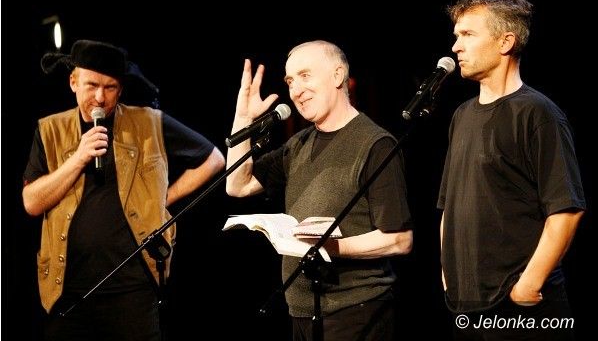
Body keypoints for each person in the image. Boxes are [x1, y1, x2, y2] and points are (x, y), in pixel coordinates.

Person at [22, 39, 226, 341]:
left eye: (111, 87)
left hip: (133, 289)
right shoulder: (50, 130)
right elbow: (31, 203)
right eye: (92, 85)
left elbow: (214, 159)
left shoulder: (147, 122)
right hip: (67, 289)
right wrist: (78, 158)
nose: (100, 97)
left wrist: (162, 200)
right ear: (73, 82)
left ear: (120, 89)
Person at [226, 40, 413, 340]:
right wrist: (243, 119)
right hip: (302, 310)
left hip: (356, 311)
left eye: (305, 75)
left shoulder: (376, 145)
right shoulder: (298, 144)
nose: (296, 90)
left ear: (338, 76)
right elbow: (237, 185)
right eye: (290, 81)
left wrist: (324, 247)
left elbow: (399, 240)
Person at [438, 0, 586, 340]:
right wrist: (448, 273)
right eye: (456, 35)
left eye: (468, 34)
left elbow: (566, 209)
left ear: (505, 42)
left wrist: (529, 284)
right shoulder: (462, 116)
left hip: (519, 306)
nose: (456, 46)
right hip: (467, 305)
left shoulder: (538, 113)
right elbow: (450, 204)